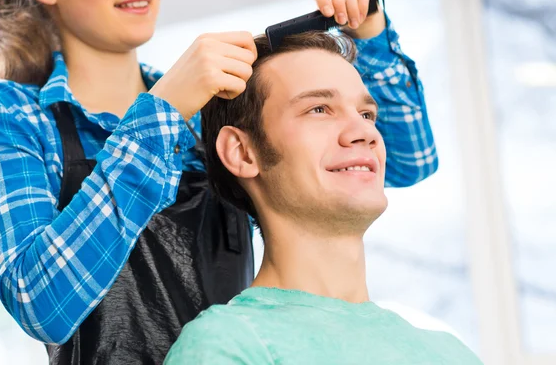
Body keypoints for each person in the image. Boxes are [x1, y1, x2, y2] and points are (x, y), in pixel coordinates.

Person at [0, 0, 436, 363]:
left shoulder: (205, 112)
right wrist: (161, 112)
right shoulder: (5, 113)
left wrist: (366, 21)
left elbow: (408, 157)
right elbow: (42, 301)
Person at [164, 31, 479, 364]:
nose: (365, 133)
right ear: (243, 152)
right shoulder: (226, 345)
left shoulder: (450, 353)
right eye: (319, 109)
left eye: (367, 114)